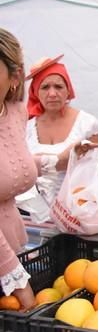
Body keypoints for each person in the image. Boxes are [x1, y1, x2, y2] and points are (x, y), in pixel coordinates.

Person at [19, 55, 98, 218]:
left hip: (78, 212)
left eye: (58, 86)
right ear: (35, 92)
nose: (52, 93)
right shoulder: (26, 127)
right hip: (35, 213)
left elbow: (96, 173)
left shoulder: (87, 123)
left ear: (68, 90)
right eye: (45, 87)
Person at [0, 28, 38, 310]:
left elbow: (11, 166)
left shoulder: (15, 112)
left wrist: (58, 160)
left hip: (12, 245)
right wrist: (16, 277)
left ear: (15, 77)